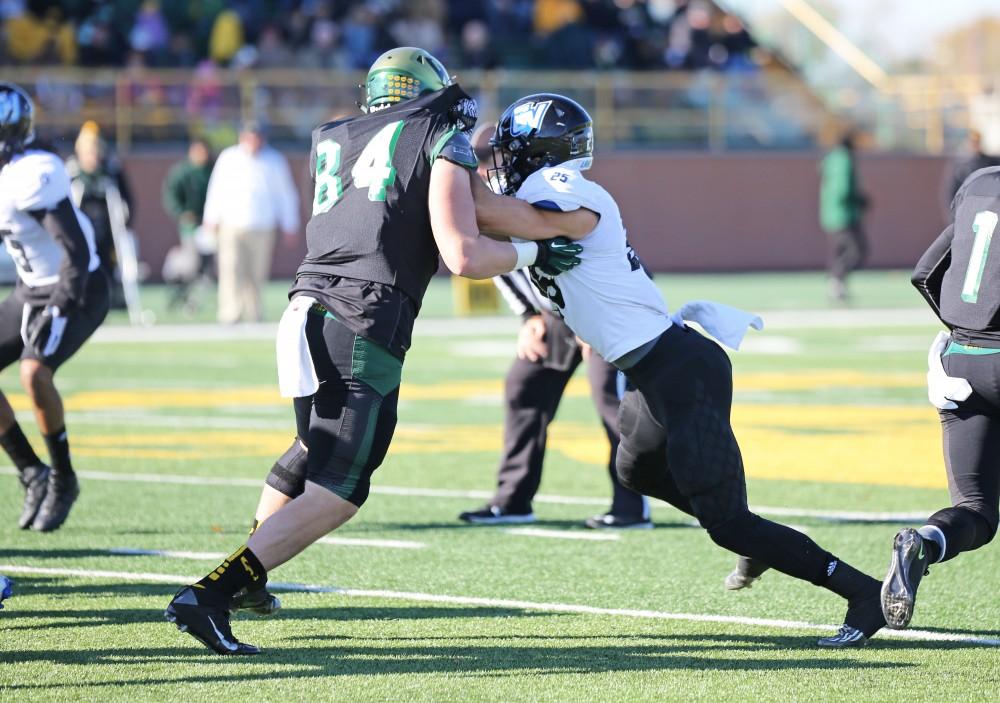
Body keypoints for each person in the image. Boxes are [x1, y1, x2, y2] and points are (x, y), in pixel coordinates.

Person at [164, 47, 583, 656]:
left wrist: (547, 225)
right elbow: (464, 249)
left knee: (313, 449)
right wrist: (541, 249)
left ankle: (253, 578)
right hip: (362, 320)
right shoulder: (440, 133)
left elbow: (463, 209)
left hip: (304, 308)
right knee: (342, 487)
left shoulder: (337, 134)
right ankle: (213, 593)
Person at [471, 92, 887, 647]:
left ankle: (863, 593)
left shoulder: (562, 190)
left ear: (544, 153)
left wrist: (442, 164)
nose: (502, 159)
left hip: (682, 371)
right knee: (636, 473)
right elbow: (488, 230)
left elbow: (495, 217)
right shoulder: (538, 196)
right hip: (650, 370)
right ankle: (759, 540)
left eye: (512, 149)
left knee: (728, 522)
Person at [460, 126, 649, 528]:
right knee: (524, 386)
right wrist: (529, 316)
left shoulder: (553, 190)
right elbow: (502, 256)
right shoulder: (505, 198)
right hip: (557, 312)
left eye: (489, 158)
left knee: (609, 399)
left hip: (606, 311)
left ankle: (631, 506)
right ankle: (512, 501)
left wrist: (588, 321)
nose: (482, 170)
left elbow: (579, 257)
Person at [880, 165, 1000, 630]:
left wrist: (963, 330)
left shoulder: (980, 183)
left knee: (975, 509)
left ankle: (924, 543)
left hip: (960, 363)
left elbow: (925, 273)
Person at [0, 83, 109, 532]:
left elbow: (77, 253)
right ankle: (31, 470)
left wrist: (61, 307)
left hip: (78, 287)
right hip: (31, 289)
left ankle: (63, 477)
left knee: (33, 371)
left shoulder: (33, 172)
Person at [202, 120, 299, 324]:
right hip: (232, 223)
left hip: (263, 225)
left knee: (257, 273)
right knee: (231, 269)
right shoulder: (229, 158)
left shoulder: (274, 160)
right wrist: (210, 218)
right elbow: (217, 189)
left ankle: (254, 314)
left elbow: (285, 195)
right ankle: (230, 314)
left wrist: (290, 224)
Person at [65, 121, 134, 308]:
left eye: (95, 150)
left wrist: (126, 221)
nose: (92, 156)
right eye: (88, 151)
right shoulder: (72, 172)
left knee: (107, 266)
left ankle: (109, 301)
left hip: (106, 229)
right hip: (81, 229)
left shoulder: (111, 171)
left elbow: (126, 198)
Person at [161, 137, 214, 311]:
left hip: (210, 225)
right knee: (191, 263)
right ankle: (174, 267)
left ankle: (192, 300)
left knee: (208, 267)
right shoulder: (182, 172)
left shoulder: (212, 170)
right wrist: (182, 213)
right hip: (191, 226)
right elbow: (171, 196)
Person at [819, 131, 870, 303]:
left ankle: (837, 283)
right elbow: (843, 187)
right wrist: (859, 199)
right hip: (844, 214)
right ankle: (836, 281)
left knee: (840, 251)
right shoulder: (844, 159)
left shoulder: (831, 158)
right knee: (856, 250)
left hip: (831, 213)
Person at [943, 130, 999, 210]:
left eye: (977, 141)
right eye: (972, 141)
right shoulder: (960, 164)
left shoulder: (990, 162)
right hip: (966, 209)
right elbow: (953, 189)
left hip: (986, 207)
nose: (974, 144)